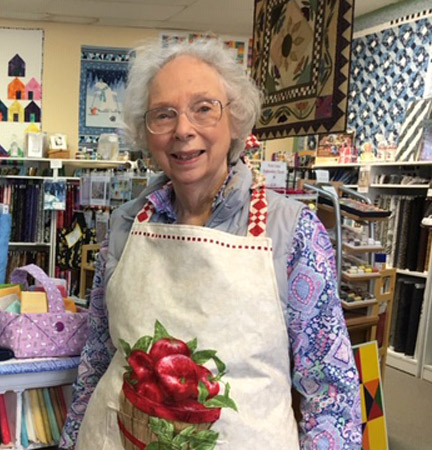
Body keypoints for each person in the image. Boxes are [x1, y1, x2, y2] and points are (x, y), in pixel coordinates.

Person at [60, 39, 362, 450]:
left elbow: (331, 394)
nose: (183, 130)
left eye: (204, 108)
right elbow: (97, 358)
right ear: (146, 133)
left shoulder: (292, 232)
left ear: (235, 120)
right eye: (163, 114)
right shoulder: (125, 225)